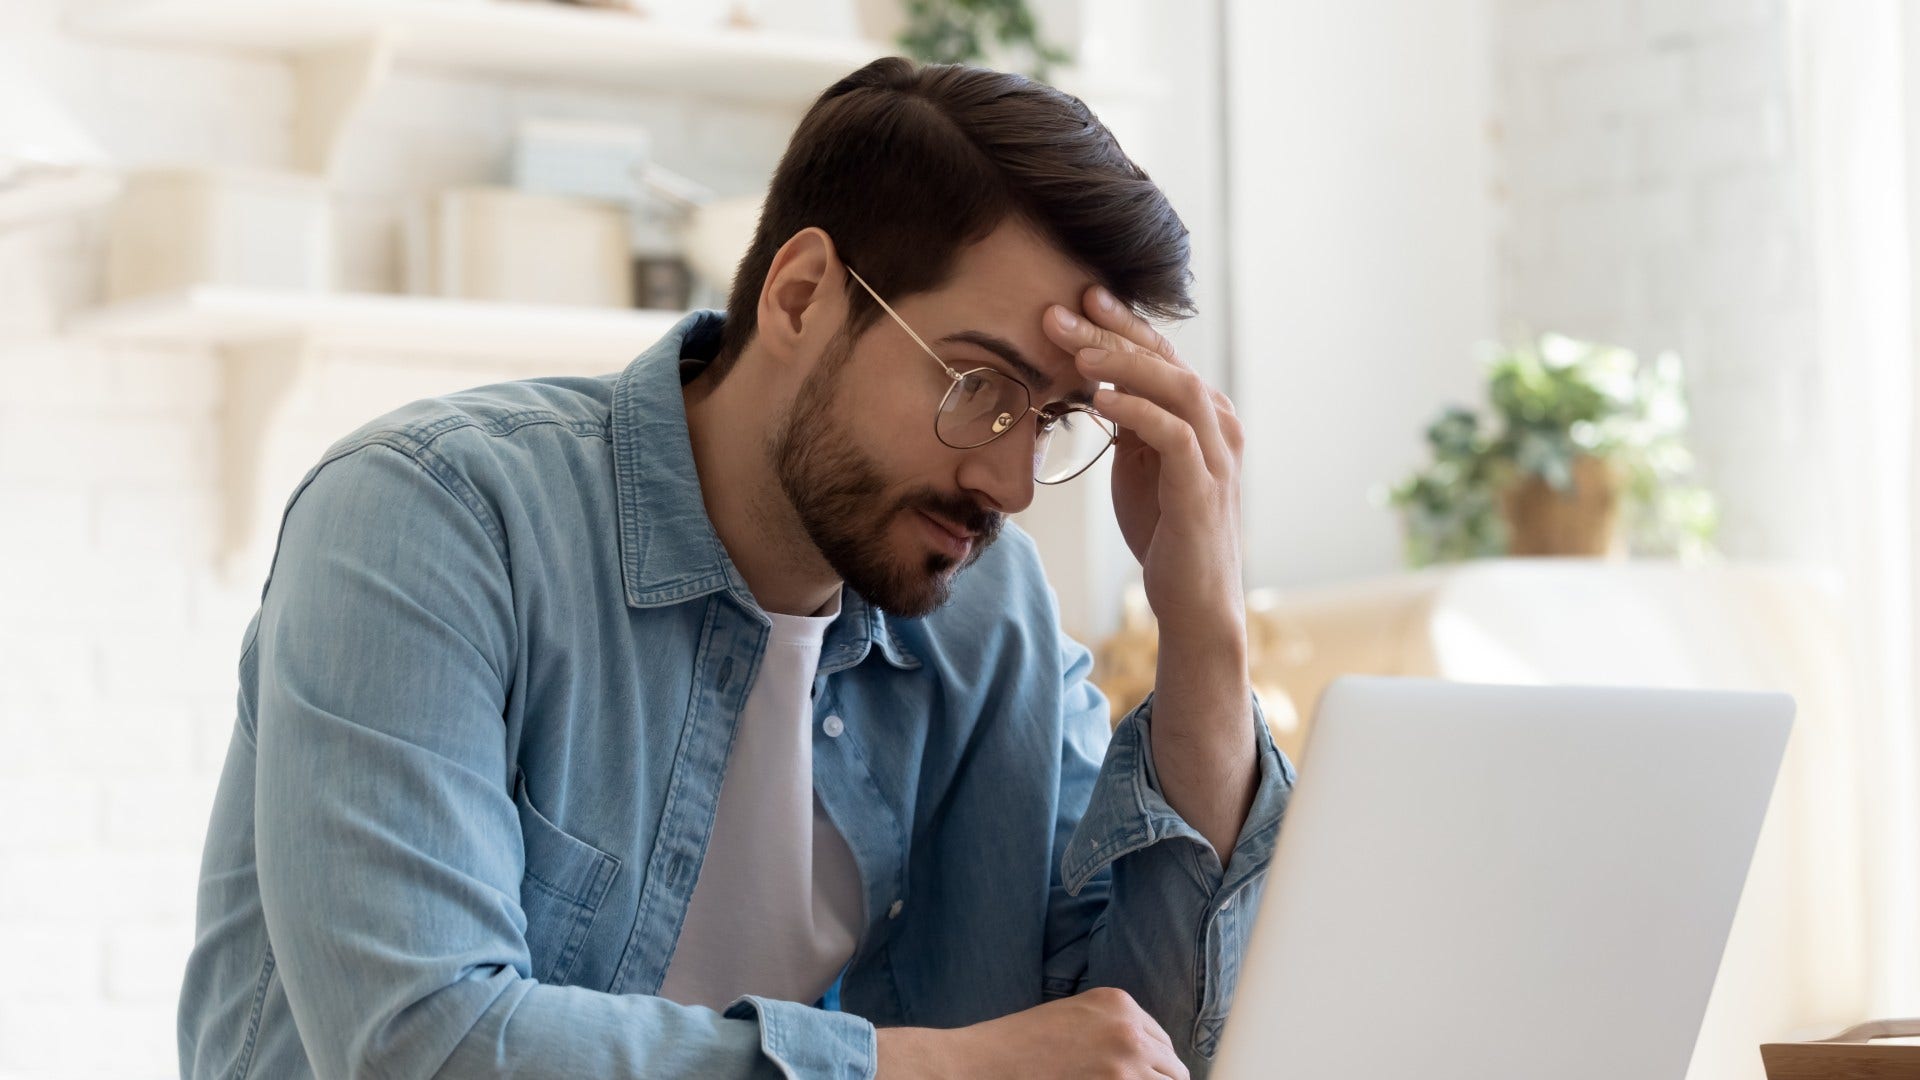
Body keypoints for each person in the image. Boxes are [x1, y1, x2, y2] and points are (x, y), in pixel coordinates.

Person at [177, 56, 1294, 1079]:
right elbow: (420, 1044)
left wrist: (1201, 626)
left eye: (1046, 420)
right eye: (976, 390)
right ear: (803, 294)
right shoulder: (430, 521)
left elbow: (1142, 1039)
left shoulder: (982, 617)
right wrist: (942, 1071)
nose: (1006, 487)